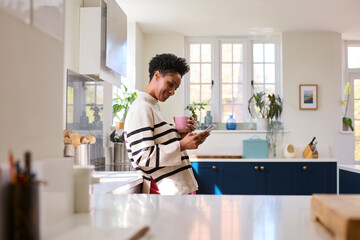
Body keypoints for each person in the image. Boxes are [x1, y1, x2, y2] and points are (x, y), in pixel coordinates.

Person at [124, 53, 210, 195]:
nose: (172, 92)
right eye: (170, 84)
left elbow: (160, 146)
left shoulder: (152, 107)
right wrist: (182, 145)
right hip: (168, 194)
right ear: (157, 75)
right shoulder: (141, 108)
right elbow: (144, 157)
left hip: (177, 191)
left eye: (175, 88)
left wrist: (180, 137)